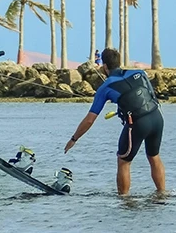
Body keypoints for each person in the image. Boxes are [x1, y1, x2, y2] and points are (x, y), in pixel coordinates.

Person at [64, 48, 165, 195]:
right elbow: (149, 96)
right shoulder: (140, 73)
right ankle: (162, 194)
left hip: (138, 124)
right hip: (157, 118)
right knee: (153, 156)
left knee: (123, 161)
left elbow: (90, 120)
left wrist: (74, 139)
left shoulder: (105, 88)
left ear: (105, 67)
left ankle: (124, 200)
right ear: (119, 62)